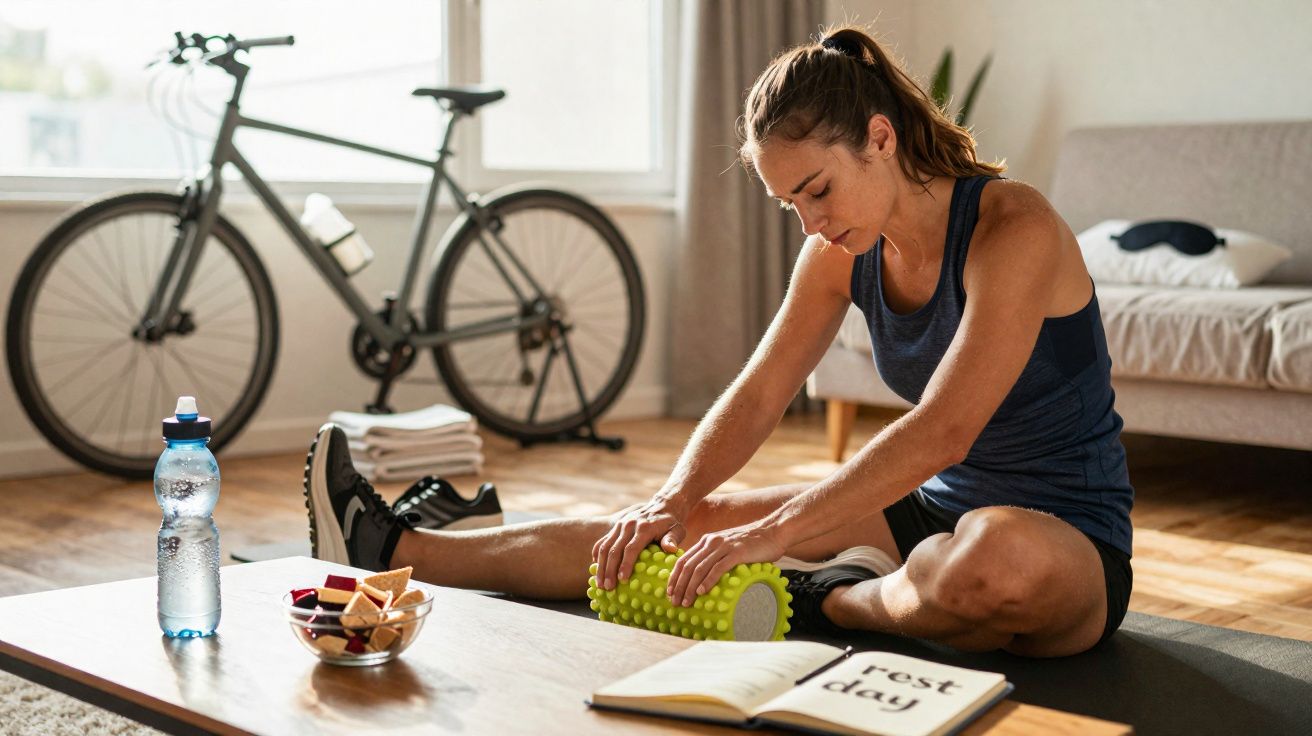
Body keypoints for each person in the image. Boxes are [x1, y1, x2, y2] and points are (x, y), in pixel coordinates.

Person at [304, 25, 1133, 658]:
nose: (811, 223)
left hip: (1063, 537)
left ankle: (837, 600)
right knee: (665, 534)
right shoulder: (837, 250)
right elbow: (762, 390)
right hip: (926, 516)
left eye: (817, 190)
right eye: (790, 206)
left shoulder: (1012, 227)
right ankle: (396, 546)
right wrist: (671, 498)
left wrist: (776, 534)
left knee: (993, 563)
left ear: (880, 138)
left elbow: (945, 429)